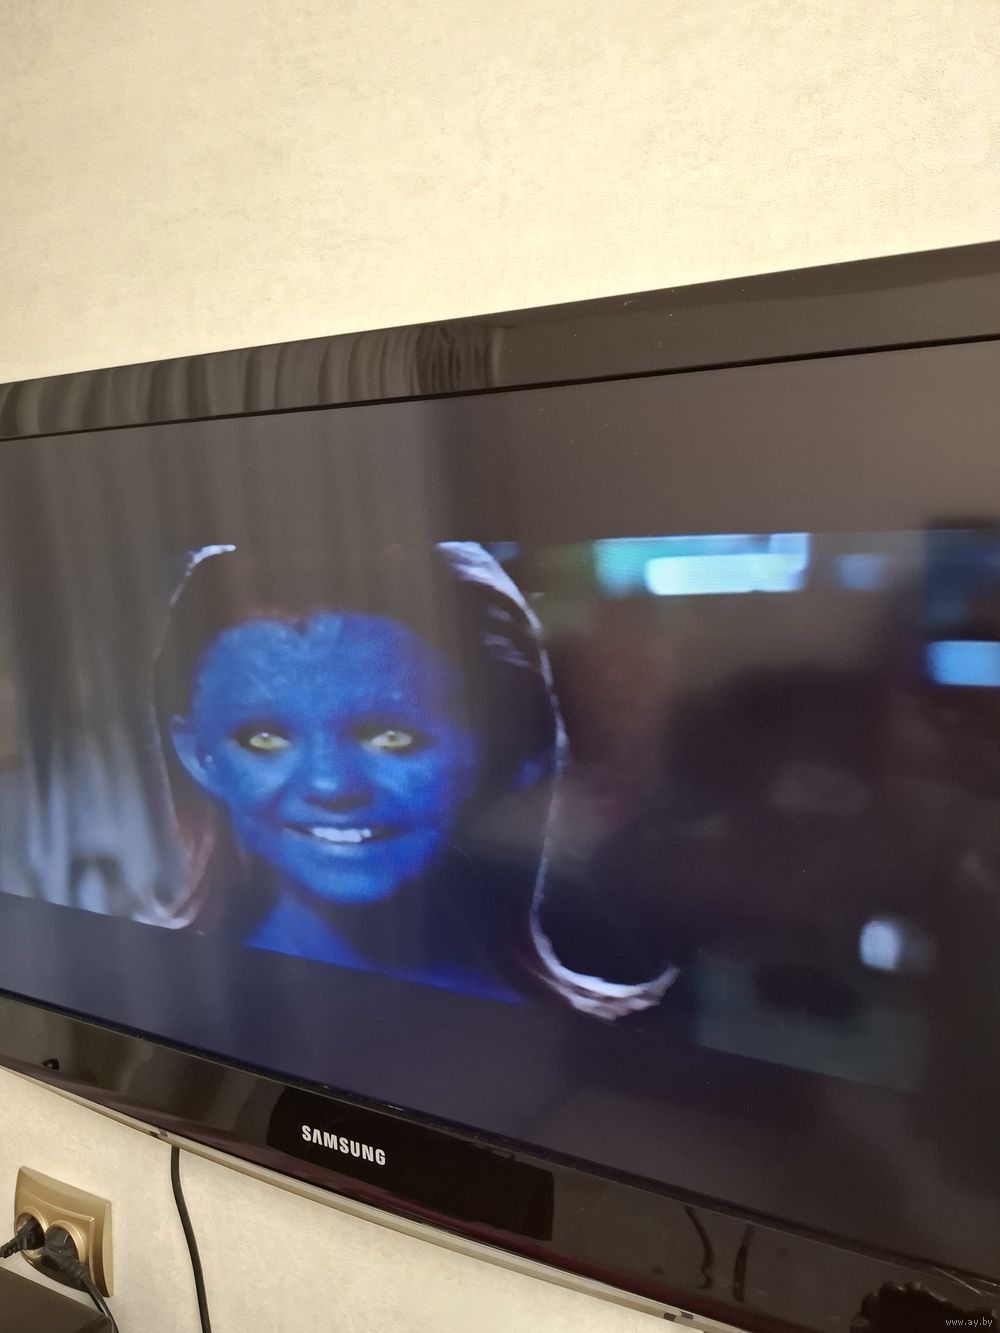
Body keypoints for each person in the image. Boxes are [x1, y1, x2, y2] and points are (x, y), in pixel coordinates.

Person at [153, 540, 673, 1014]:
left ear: (520, 753)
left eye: (392, 736)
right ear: (198, 755)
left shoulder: (623, 1043)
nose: (331, 786)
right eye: (264, 738)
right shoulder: (164, 1006)